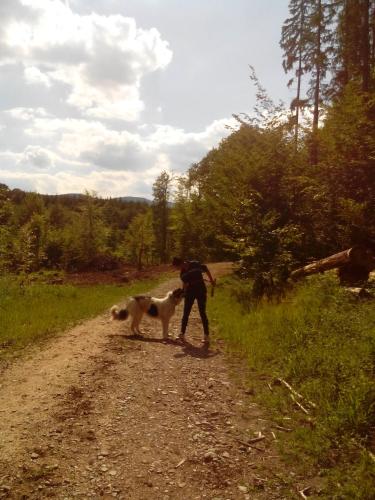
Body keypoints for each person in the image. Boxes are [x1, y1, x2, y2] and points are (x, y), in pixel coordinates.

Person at [172, 257, 215, 345]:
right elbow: (185, 284)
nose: (177, 269)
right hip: (190, 293)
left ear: (181, 263)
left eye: (177, 267)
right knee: (186, 313)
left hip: (201, 291)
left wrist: (211, 280)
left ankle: (206, 336)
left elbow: (205, 269)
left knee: (202, 313)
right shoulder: (182, 274)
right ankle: (182, 334)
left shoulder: (195, 264)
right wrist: (183, 292)